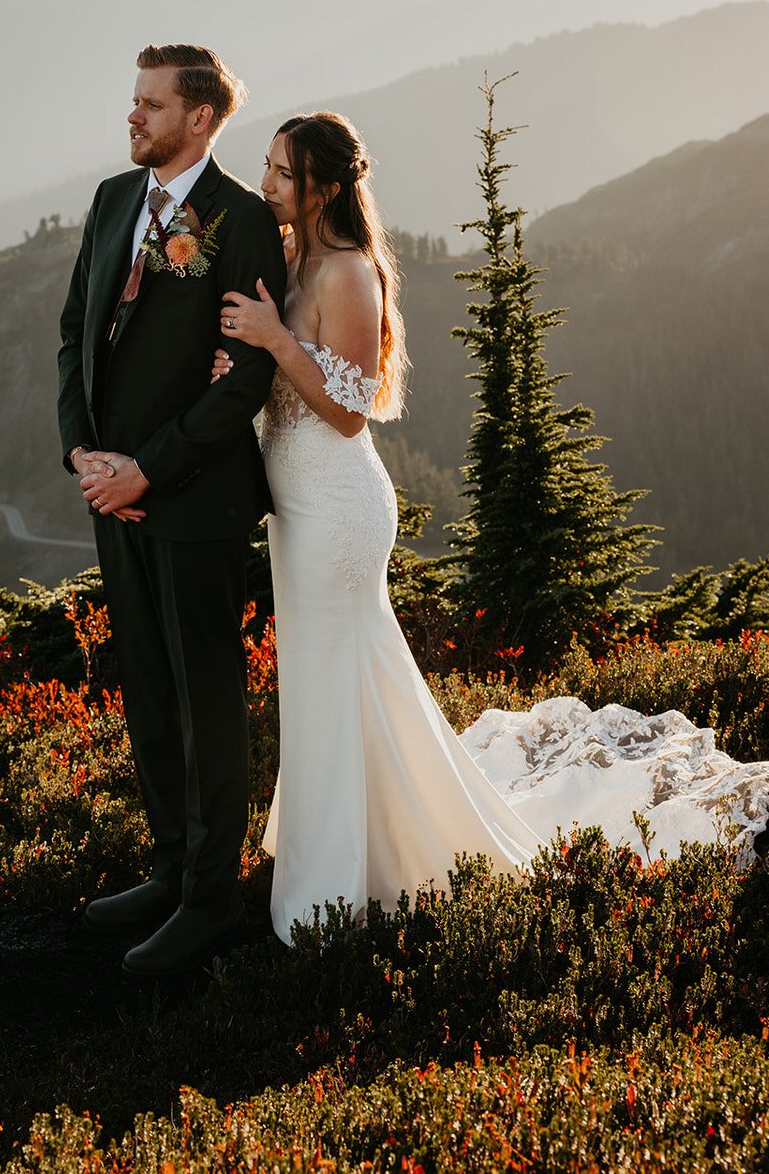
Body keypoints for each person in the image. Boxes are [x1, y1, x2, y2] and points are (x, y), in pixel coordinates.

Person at [215, 112, 542, 944]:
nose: (266, 186)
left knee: (335, 679)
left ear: (322, 185)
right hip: (295, 512)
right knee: (329, 683)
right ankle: (351, 847)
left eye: (281, 174)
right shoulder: (294, 260)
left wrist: (274, 341)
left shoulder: (350, 274)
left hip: (339, 511)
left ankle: (337, 884)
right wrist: (242, 359)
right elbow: (284, 382)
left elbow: (351, 410)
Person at [58, 43, 287, 980]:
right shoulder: (116, 200)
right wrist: (82, 453)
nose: (132, 117)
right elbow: (76, 329)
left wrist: (145, 470)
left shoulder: (243, 223)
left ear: (200, 118)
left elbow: (246, 384)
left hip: (193, 497)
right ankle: (166, 868)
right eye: (134, 100)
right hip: (110, 492)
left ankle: (211, 897)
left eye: (150, 105)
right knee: (147, 684)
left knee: (207, 695)